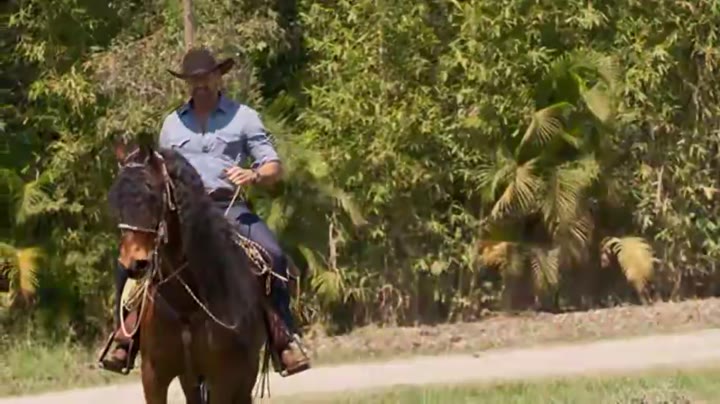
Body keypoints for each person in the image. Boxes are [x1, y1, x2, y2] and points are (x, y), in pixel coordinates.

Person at [102, 47, 310, 376]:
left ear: (218, 77)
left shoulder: (243, 117)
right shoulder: (172, 124)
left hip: (229, 207)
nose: (200, 84)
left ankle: (283, 338)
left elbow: (273, 166)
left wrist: (253, 175)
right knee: (131, 261)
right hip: (181, 214)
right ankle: (125, 337)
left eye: (205, 77)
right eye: (193, 79)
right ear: (187, 83)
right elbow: (160, 172)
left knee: (272, 256)